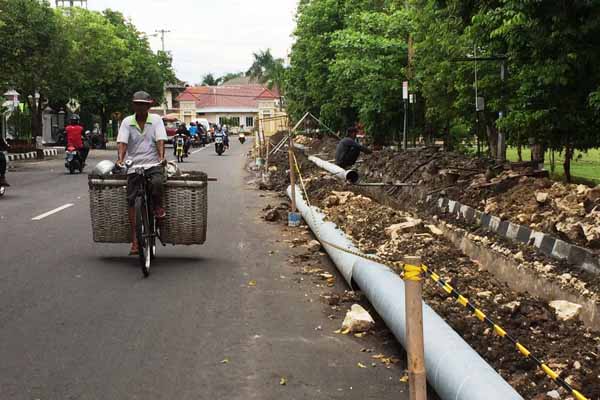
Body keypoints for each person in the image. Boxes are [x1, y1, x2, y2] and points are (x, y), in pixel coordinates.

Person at [116, 91, 168, 256]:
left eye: (143, 104)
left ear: (149, 106)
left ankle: (158, 206)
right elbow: (122, 142)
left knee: (158, 183)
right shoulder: (126, 122)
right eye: (137, 104)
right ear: (134, 105)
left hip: (153, 163)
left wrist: (161, 158)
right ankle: (135, 240)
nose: (140, 107)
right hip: (134, 165)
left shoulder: (156, 120)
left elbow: (160, 140)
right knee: (131, 200)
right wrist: (120, 159)